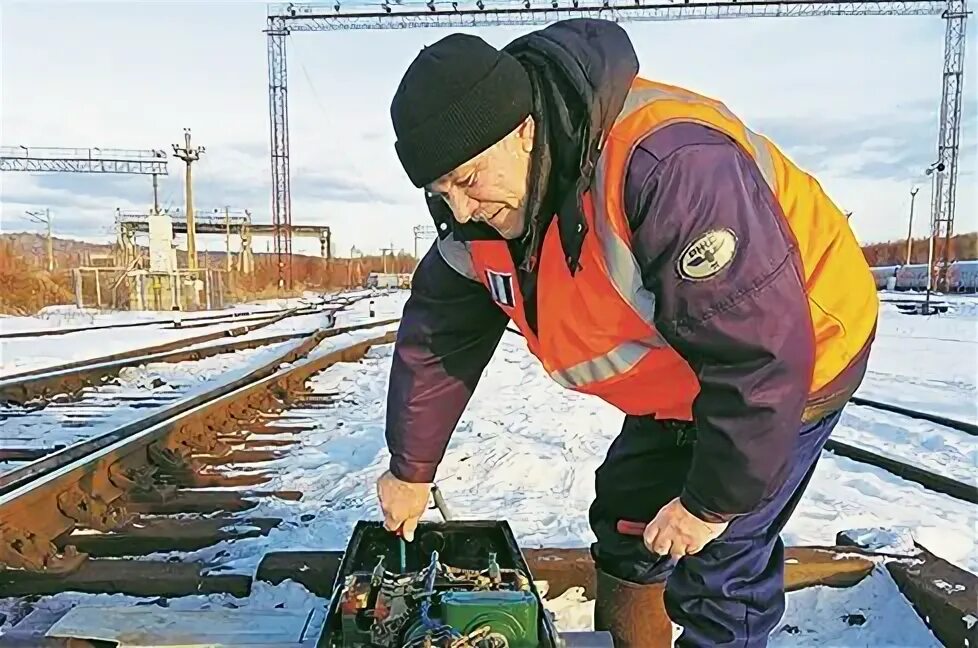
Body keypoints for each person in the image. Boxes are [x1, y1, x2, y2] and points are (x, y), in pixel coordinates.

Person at [377, 17, 878, 648]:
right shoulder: (480, 217)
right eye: (439, 190)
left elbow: (760, 358)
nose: (459, 209)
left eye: (468, 180)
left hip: (796, 352)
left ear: (524, 131)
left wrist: (708, 506)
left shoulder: (668, 165)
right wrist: (411, 467)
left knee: (722, 565)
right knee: (628, 523)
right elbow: (437, 337)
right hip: (681, 371)